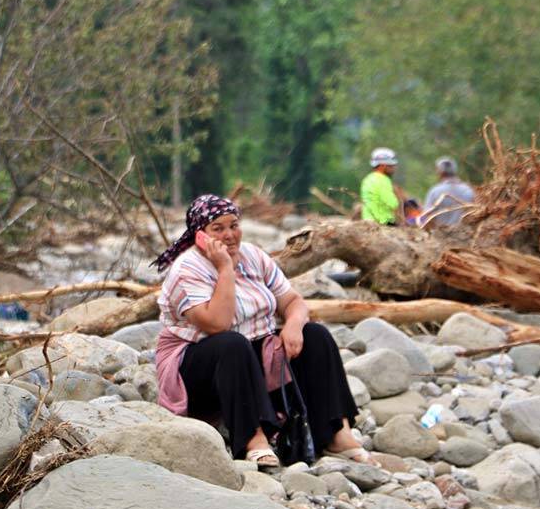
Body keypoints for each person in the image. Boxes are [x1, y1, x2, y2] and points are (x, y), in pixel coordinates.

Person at [153, 194, 375, 468]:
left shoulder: (253, 256)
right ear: (200, 235)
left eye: (234, 225)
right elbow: (217, 324)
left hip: (249, 357)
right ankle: (252, 438)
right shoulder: (187, 269)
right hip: (196, 366)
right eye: (218, 229)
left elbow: (293, 302)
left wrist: (293, 326)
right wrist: (224, 269)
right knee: (231, 343)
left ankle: (336, 434)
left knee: (316, 336)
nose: (230, 235)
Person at [360, 147, 409, 225]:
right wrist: (401, 198)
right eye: (391, 166)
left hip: (367, 221)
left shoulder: (367, 179)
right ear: (382, 166)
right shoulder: (383, 180)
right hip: (383, 223)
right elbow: (393, 204)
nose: (394, 169)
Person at [421, 156, 475, 227]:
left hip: (440, 235)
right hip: (465, 234)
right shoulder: (468, 190)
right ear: (455, 170)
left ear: (440, 172)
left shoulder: (434, 191)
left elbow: (427, 216)